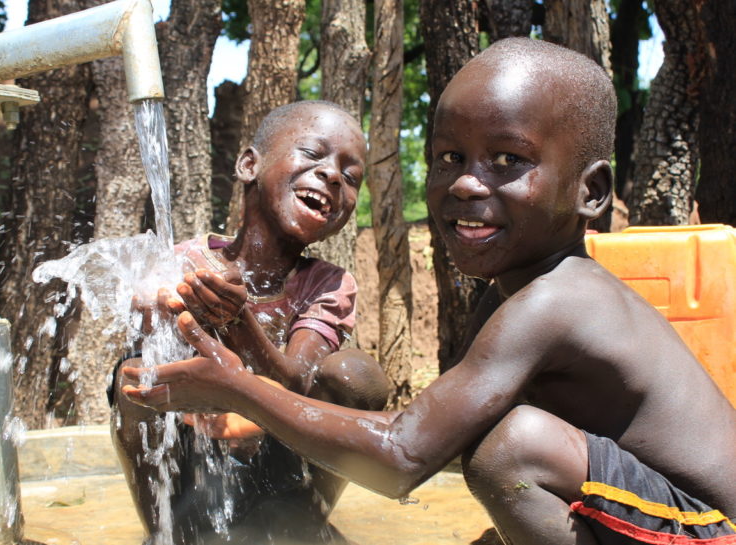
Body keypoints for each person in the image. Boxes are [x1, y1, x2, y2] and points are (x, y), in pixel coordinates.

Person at [122, 38, 736, 545]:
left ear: (591, 192)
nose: (466, 182)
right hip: (660, 515)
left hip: (715, 528)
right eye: (448, 156)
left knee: (513, 451)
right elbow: (434, 441)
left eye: (507, 159)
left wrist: (238, 388)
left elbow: (403, 457)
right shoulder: (513, 297)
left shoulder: (559, 299)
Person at [110, 100, 390, 544]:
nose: (333, 176)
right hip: (192, 461)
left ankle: (302, 519)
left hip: (283, 462)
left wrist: (241, 324)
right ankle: (168, 531)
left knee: (356, 375)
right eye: (313, 155)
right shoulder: (184, 264)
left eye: (351, 177)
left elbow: (299, 380)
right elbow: (147, 342)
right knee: (132, 371)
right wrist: (154, 311)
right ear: (248, 164)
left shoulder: (326, 284)